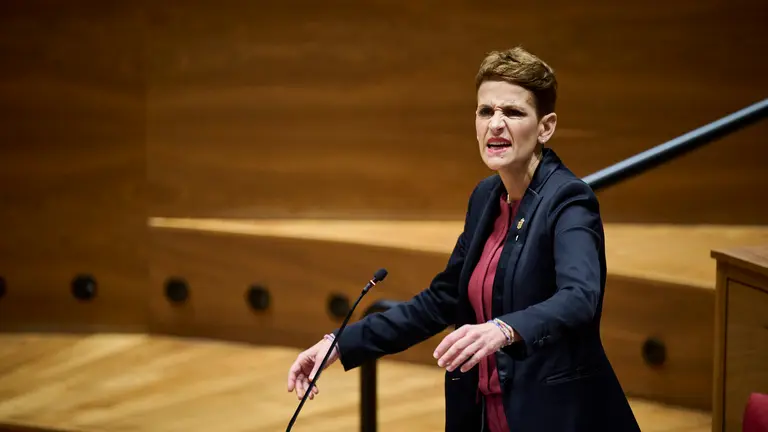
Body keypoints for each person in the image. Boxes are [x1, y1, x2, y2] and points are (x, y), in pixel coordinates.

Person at [287, 46, 641, 432]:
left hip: (555, 416)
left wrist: (502, 328)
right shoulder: (485, 197)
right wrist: (340, 344)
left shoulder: (568, 200)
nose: (496, 124)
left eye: (514, 112)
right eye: (486, 111)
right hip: (484, 416)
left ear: (546, 127)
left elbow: (580, 298)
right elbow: (443, 299)